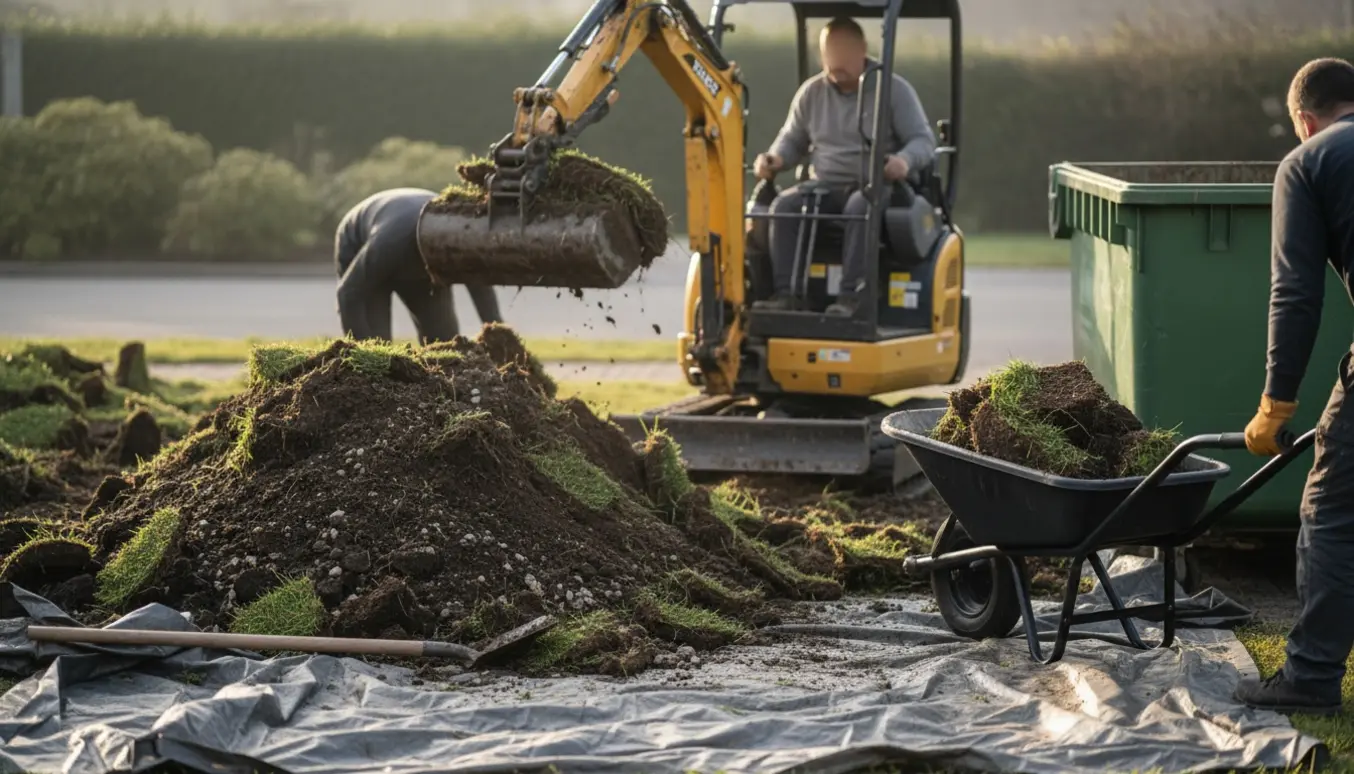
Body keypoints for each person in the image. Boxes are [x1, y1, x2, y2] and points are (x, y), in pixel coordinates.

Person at [1233, 57, 1354, 716]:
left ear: (1304, 120)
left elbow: (1295, 293)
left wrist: (1275, 406)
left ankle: (1308, 679)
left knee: (1333, 510)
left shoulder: (1308, 162)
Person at [750, 16, 936, 317]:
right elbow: (792, 139)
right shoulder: (811, 93)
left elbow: (923, 141)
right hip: (823, 185)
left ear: (862, 49)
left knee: (859, 207)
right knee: (785, 205)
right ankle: (788, 295)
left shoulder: (893, 90)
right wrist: (776, 159)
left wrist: (903, 161)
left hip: (876, 186)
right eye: (828, 52)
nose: (834, 60)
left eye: (841, 52)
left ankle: (853, 299)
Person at [334, 187, 503, 344]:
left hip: (411, 255)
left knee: (443, 342)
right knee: (377, 345)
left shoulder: (461, 241)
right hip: (362, 241)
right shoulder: (388, 244)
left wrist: (500, 338)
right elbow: (348, 293)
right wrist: (361, 351)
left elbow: (481, 291)